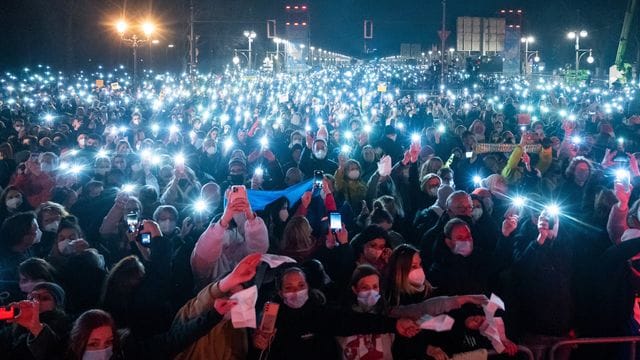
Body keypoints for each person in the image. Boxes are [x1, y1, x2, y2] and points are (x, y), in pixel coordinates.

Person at [252, 266, 420, 360]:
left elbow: (355, 322)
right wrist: (258, 345)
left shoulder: (321, 313)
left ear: (308, 287)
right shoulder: (270, 318)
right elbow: (258, 354)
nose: (296, 292)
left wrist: (394, 324)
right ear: (280, 293)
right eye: (289, 288)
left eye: (300, 286)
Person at [190, 186, 268, 289]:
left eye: (230, 227)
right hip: (212, 300)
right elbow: (205, 253)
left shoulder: (241, 249)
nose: (227, 231)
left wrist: (248, 214)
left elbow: (258, 247)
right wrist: (223, 222)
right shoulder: (204, 256)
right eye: (224, 228)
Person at [0, 212, 42, 302]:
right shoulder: (5, 260)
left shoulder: (28, 249)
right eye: (35, 231)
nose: (38, 232)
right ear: (23, 236)